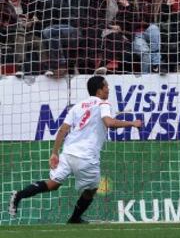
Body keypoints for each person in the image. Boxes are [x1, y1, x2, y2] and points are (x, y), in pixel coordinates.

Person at [8, 76, 142, 223]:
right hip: (86, 156)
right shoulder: (104, 103)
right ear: (99, 91)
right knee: (91, 190)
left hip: (68, 152)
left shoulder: (78, 106)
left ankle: (19, 195)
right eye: (106, 86)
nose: (108, 89)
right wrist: (132, 123)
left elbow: (63, 129)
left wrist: (54, 153)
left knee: (53, 184)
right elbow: (109, 122)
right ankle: (74, 219)